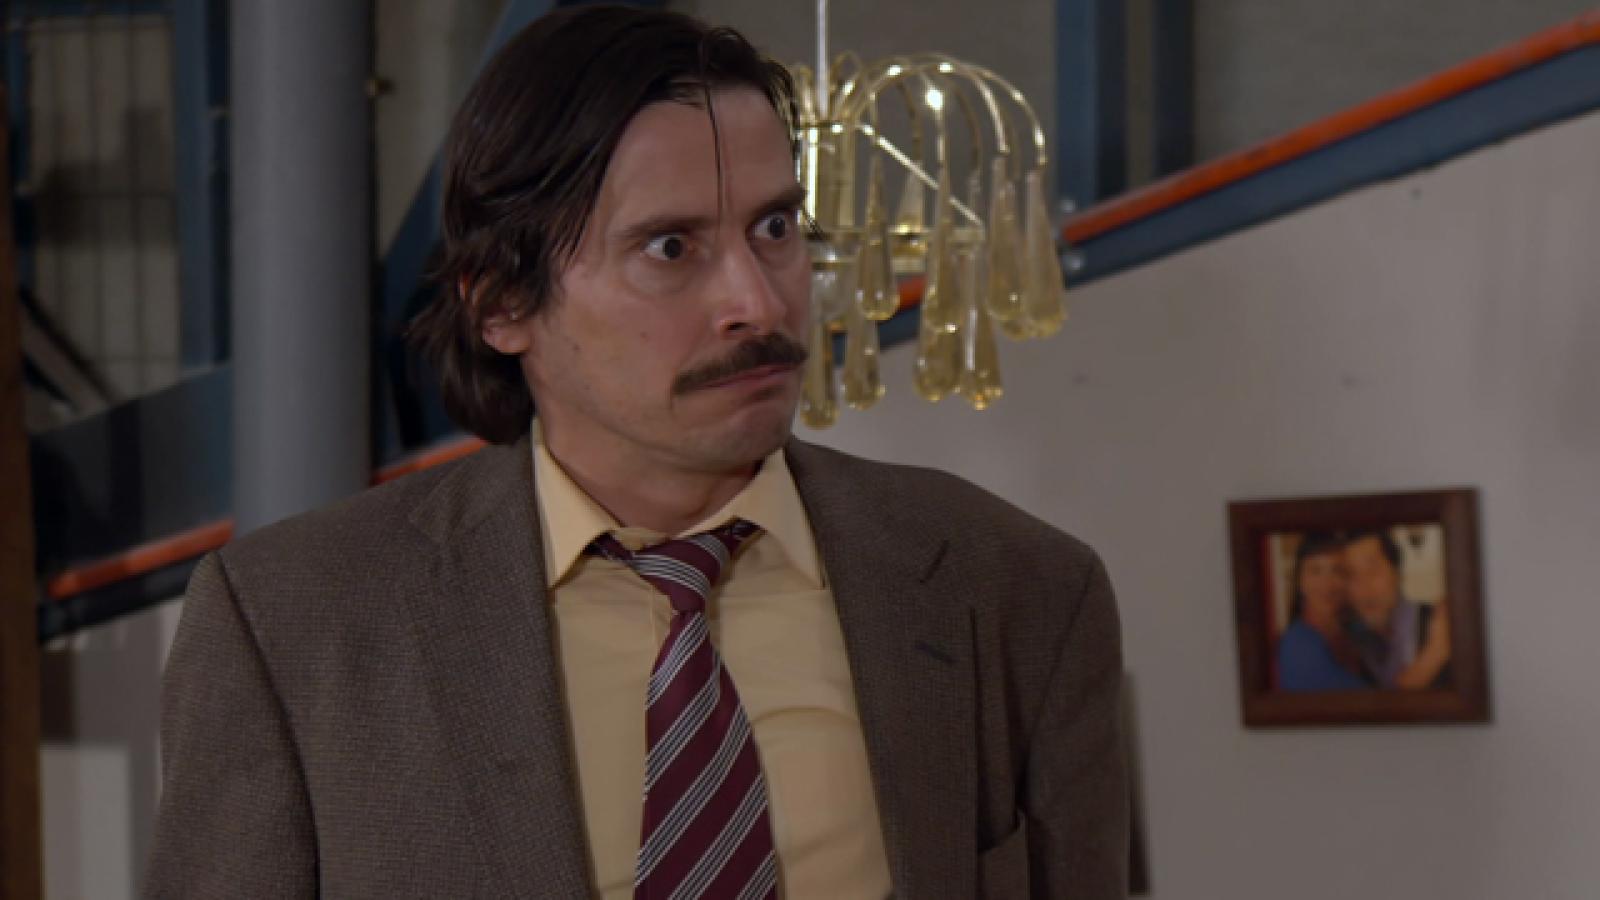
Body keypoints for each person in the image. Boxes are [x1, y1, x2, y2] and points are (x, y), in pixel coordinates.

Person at [142, 7, 1128, 899]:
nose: (757, 301)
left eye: (775, 227)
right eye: (671, 248)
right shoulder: (293, 625)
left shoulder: (1018, 591)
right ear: (504, 303)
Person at [1341, 529, 1451, 690]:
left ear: (1397, 572)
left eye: (1373, 571)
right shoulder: (1351, 642)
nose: (1364, 587)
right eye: (1352, 575)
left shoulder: (1440, 627)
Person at [1275, 532, 1369, 692]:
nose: (1327, 583)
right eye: (1315, 571)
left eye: (1337, 570)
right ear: (1300, 581)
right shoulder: (1299, 647)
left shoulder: (1356, 632)